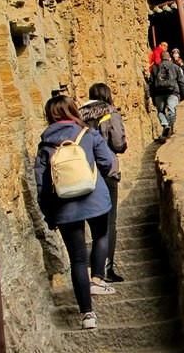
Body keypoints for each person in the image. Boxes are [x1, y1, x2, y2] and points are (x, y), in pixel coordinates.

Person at [34, 95, 117, 330]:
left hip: (64, 206)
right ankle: (98, 279)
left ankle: (88, 315)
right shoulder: (88, 134)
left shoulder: (45, 144)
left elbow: (41, 183)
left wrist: (49, 215)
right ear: (72, 111)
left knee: (77, 260)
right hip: (95, 199)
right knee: (101, 236)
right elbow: (108, 162)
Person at [79, 83, 127, 283]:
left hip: (83, 172)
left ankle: (89, 266)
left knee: (91, 221)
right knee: (109, 221)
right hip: (105, 171)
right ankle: (105, 268)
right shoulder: (110, 113)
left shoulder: (78, 115)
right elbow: (118, 143)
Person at [148, 51, 184, 140]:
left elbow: (151, 83)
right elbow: (182, 82)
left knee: (160, 112)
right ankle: (172, 129)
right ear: (169, 57)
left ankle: (165, 125)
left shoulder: (155, 68)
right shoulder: (175, 67)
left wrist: (151, 96)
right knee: (171, 110)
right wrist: (183, 95)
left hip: (158, 94)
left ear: (161, 58)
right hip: (172, 92)